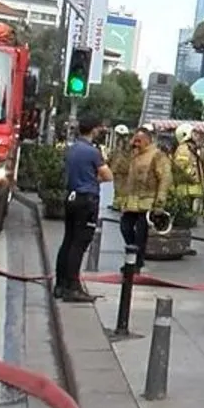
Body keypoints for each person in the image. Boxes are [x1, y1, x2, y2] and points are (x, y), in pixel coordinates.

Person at [54, 114, 114, 302]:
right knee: (79, 245)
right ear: (94, 130)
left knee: (68, 241)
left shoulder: (72, 149)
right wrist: (92, 178)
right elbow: (108, 175)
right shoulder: (92, 152)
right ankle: (73, 287)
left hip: (71, 196)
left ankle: (60, 284)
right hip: (86, 199)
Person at [120, 126, 172, 273]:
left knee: (141, 235)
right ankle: (133, 256)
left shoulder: (157, 156)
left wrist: (160, 203)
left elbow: (165, 179)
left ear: (147, 141)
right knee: (125, 227)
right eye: (134, 140)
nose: (135, 143)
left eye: (139, 141)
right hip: (131, 202)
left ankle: (137, 262)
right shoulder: (134, 156)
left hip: (147, 202)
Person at [172, 124, 204, 222]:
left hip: (193, 186)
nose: (197, 136)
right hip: (187, 187)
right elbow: (181, 166)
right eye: (194, 133)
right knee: (186, 210)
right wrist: (193, 177)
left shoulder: (192, 149)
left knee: (194, 209)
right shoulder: (183, 149)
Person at [108, 124, 133, 212]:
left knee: (121, 188)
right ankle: (117, 204)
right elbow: (114, 155)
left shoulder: (126, 144)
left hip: (122, 169)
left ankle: (120, 205)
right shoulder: (126, 143)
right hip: (121, 168)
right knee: (118, 188)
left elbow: (117, 156)